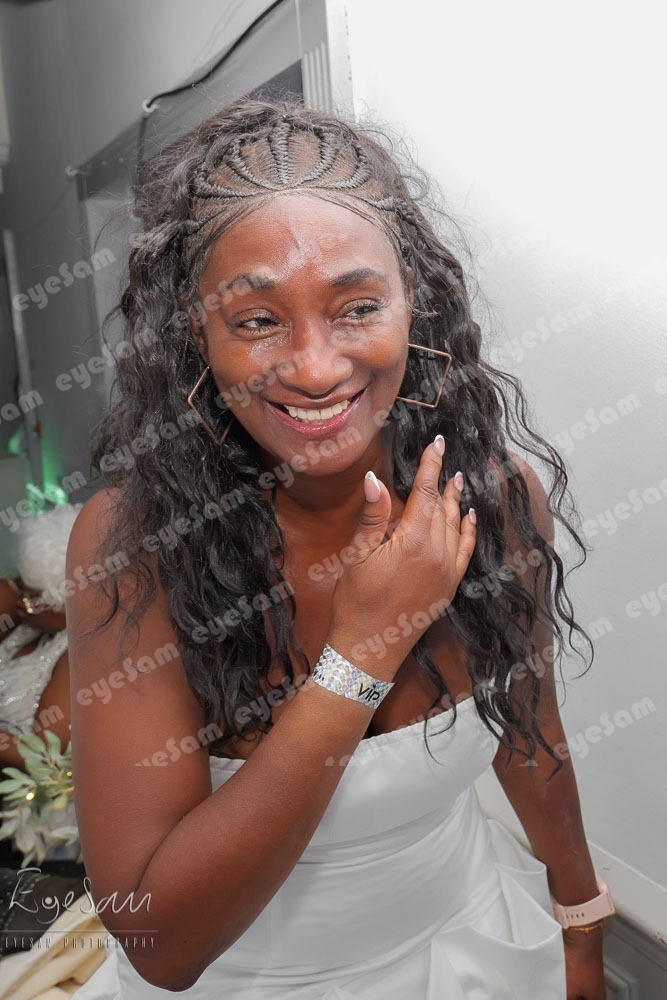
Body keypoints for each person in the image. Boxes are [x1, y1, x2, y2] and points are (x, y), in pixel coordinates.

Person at [66, 97, 611, 1000]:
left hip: (470, 949)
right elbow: (160, 946)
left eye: (356, 307)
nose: (316, 368)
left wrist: (581, 924)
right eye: (256, 321)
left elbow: (532, 734)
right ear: (195, 331)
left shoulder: (492, 499)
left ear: (413, 302)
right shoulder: (137, 546)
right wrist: (362, 653)